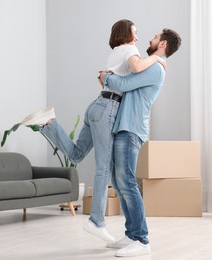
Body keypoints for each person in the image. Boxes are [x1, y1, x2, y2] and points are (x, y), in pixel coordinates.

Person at [19, 19, 165, 244]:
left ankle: (49, 124)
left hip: (96, 106)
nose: (138, 37)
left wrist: (107, 76)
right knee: (104, 168)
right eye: (135, 32)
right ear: (126, 34)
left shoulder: (116, 51)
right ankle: (96, 220)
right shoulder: (131, 50)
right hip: (109, 108)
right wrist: (156, 57)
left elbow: (119, 77)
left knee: (76, 155)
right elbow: (135, 70)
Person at [97, 28, 181, 257]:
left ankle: (142, 240)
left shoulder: (155, 67)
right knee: (120, 182)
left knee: (128, 183)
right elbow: (125, 80)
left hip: (132, 128)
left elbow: (123, 84)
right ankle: (132, 234)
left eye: (155, 37)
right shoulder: (150, 63)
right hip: (124, 126)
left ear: (162, 44)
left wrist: (105, 76)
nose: (150, 39)